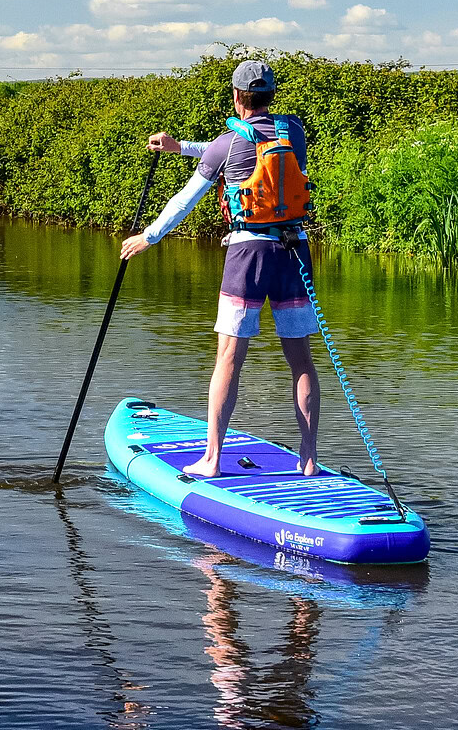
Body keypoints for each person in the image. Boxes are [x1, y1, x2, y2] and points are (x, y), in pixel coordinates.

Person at [118, 59, 321, 478]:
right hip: (294, 250)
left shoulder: (227, 143)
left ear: (235, 96)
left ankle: (211, 460)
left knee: (229, 357)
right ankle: (309, 460)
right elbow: (232, 146)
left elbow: (187, 198)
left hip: (247, 255)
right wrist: (181, 147)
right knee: (301, 359)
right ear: (270, 94)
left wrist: (148, 237)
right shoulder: (294, 132)